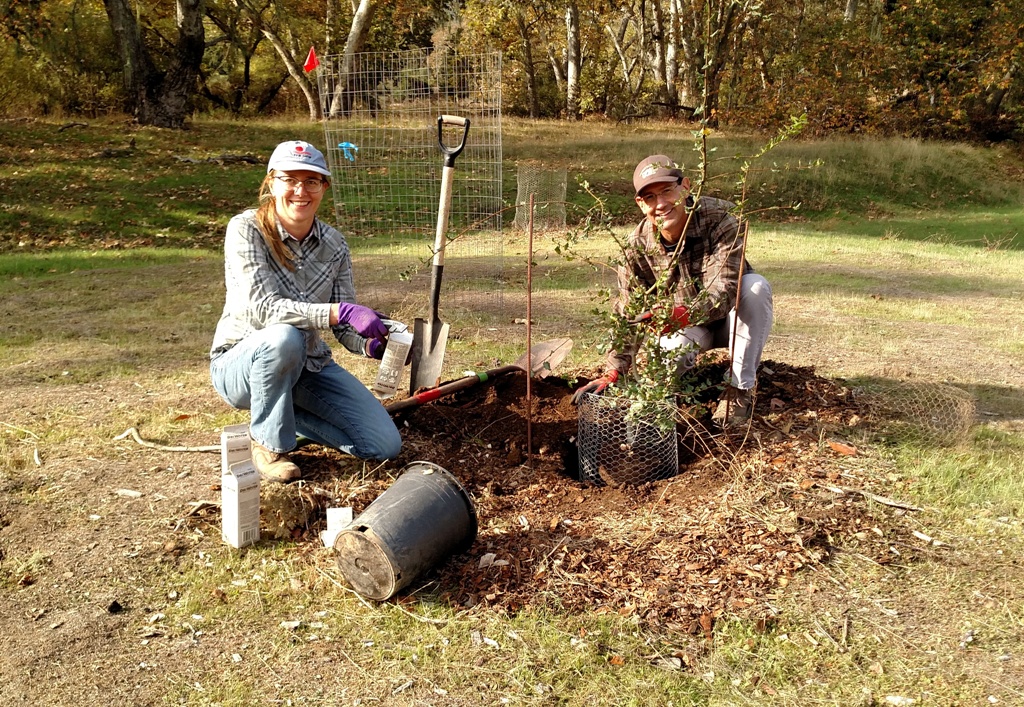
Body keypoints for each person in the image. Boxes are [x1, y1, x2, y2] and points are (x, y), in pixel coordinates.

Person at [210, 140, 402, 482]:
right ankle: (269, 444)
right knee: (283, 337)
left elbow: (345, 329)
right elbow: (265, 309)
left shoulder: (335, 244)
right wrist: (339, 311)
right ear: (271, 182)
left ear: (324, 187)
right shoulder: (246, 230)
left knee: (382, 445)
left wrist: (375, 345)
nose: (301, 190)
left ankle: (282, 412)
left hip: (308, 365)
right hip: (241, 364)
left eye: (312, 181)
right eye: (289, 179)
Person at [572, 154, 774, 424]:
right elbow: (628, 311)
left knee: (756, 286)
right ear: (641, 205)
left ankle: (739, 389)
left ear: (686, 187)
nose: (662, 204)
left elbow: (727, 289)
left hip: (732, 321)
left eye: (667, 191)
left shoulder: (721, 218)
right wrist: (615, 371)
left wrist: (685, 313)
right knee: (671, 352)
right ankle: (685, 392)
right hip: (686, 330)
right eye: (651, 198)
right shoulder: (636, 248)